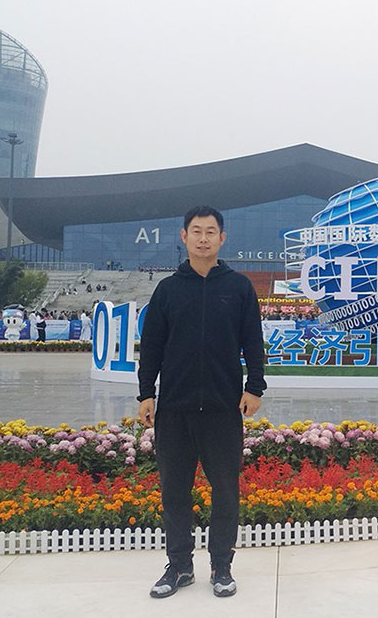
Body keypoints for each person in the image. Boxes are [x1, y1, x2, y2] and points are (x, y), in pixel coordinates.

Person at [138, 206, 266, 600]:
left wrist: (255, 387)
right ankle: (179, 566)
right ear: (184, 236)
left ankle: (221, 566)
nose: (204, 238)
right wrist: (146, 393)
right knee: (174, 492)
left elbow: (253, 341)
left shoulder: (239, 287)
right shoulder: (168, 290)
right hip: (174, 409)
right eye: (197, 231)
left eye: (211, 231)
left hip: (223, 409)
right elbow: (152, 346)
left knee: (225, 490)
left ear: (222, 239)